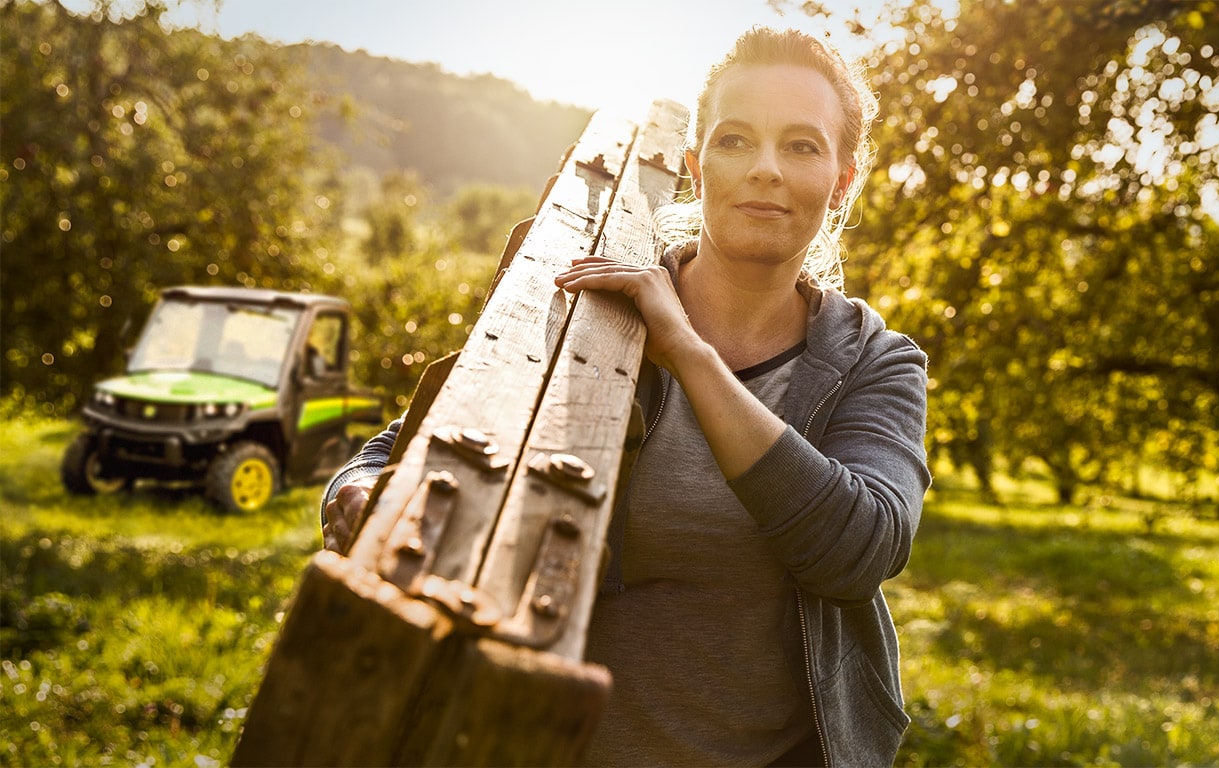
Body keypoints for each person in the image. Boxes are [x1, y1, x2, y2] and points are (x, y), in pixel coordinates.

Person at [321, 26, 930, 767]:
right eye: (735, 140)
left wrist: (684, 350)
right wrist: (354, 491)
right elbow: (416, 440)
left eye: (802, 146)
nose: (765, 169)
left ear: (843, 180)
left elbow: (856, 551)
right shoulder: (595, 304)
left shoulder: (878, 363)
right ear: (695, 168)